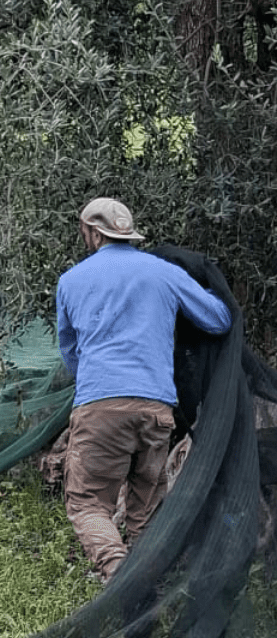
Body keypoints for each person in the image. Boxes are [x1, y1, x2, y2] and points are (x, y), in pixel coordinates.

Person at [56, 197, 232, 583]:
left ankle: (118, 575)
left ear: (93, 233)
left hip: (99, 406)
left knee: (87, 504)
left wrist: (97, 385)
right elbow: (219, 320)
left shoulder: (70, 281)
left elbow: (70, 353)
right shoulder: (161, 271)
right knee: (145, 511)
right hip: (156, 411)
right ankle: (142, 593)